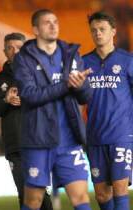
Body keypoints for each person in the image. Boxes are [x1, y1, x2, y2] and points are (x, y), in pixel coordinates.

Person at [13, 9, 93, 210]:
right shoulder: (25, 59)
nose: (53, 25)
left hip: (68, 141)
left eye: (55, 21)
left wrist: (81, 85)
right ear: (35, 30)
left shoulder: (70, 54)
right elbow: (29, 95)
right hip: (38, 140)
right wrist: (65, 85)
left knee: (81, 196)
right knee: (33, 201)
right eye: (47, 22)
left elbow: (85, 97)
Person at [0, 32, 53, 210]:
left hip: (37, 142)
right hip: (15, 145)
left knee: (36, 191)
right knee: (24, 192)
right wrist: (5, 101)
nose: (15, 51)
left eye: (19, 48)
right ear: (4, 51)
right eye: (10, 48)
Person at [83, 11, 133, 210]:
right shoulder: (84, 63)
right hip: (95, 136)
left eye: (102, 29)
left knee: (120, 188)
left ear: (113, 31)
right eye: (93, 30)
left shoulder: (127, 61)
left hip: (122, 134)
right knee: (102, 194)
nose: (98, 33)